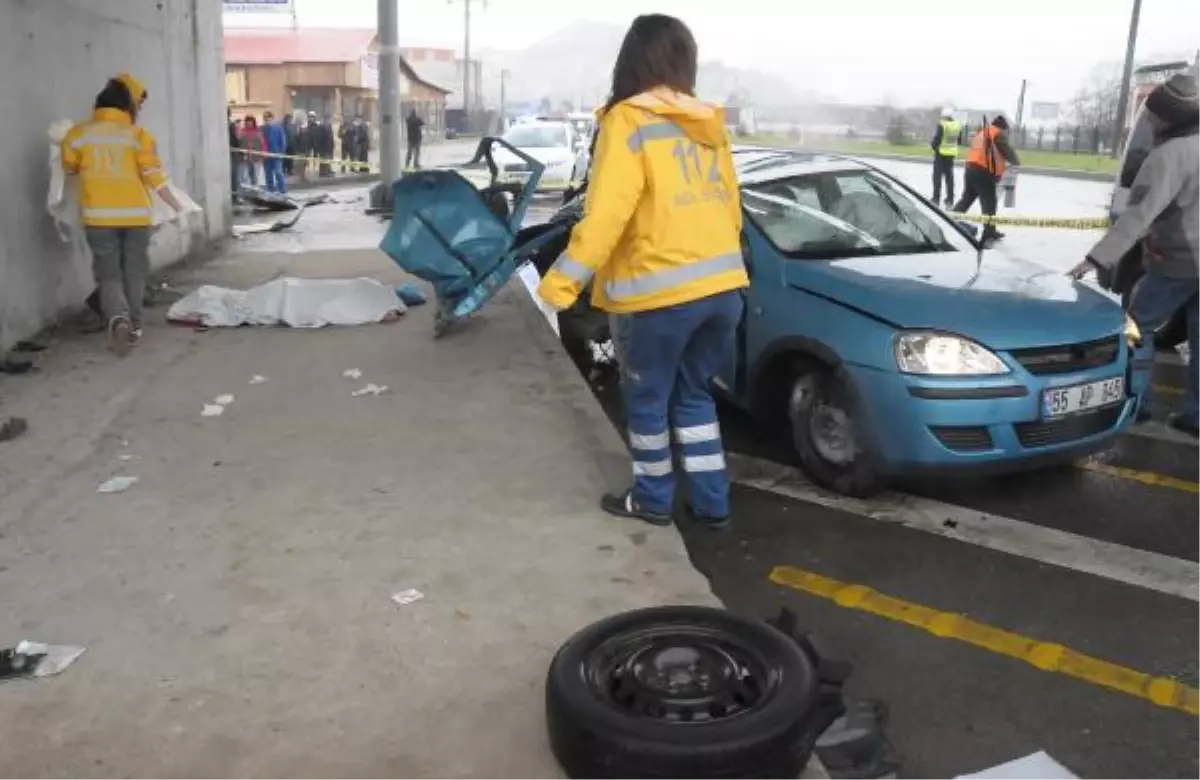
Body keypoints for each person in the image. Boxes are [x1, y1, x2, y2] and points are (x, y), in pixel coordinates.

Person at [536, 14, 749, 529]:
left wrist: (561, 285)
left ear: (631, 60)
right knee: (695, 398)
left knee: (648, 401)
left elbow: (607, 213)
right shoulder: (708, 126)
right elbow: (732, 208)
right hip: (723, 291)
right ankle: (711, 504)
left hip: (657, 295)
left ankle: (652, 499)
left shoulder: (628, 121)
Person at [1069, 73, 1200, 438]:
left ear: (1168, 117)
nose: (1150, 120)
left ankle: (1138, 404)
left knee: (1134, 330)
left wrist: (1096, 259)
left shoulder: (1169, 155)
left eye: (1153, 114)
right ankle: (1196, 416)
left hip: (1179, 262)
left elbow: (1139, 214)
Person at [62, 73, 183, 355]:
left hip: (99, 218)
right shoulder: (138, 136)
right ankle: (136, 327)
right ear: (128, 107)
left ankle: (118, 319)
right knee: (135, 272)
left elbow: (69, 168)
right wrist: (177, 205)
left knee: (109, 275)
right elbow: (153, 176)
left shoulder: (78, 135)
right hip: (136, 218)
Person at [953, 115, 1020, 243]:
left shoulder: (983, 132)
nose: (1006, 133)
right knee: (989, 201)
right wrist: (1016, 162)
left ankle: (950, 220)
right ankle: (989, 232)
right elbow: (1010, 153)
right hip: (983, 172)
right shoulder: (997, 134)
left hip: (970, 169)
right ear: (1003, 128)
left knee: (967, 198)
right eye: (1006, 130)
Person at [930, 106, 961, 207]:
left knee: (937, 178)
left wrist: (935, 148)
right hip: (951, 155)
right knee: (949, 179)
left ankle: (935, 199)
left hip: (940, 155)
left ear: (944, 116)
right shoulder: (957, 125)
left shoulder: (942, 125)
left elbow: (936, 141)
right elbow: (959, 141)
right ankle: (950, 201)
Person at [262, 110, 288, 193]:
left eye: (268, 117)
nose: (266, 119)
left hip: (277, 154)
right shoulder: (262, 128)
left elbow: (283, 141)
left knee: (278, 172)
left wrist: (281, 152)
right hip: (266, 154)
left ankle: (282, 190)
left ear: (271, 118)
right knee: (268, 173)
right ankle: (270, 189)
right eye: (265, 118)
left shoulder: (278, 127)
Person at [238, 115, 266, 186]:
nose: (249, 123)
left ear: (253, 122)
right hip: (245, 157)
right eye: (247, 122)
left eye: (251, 122)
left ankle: (255, 190)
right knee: (245, 176)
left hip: (256, 157)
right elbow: (239, 142)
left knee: (256, 176)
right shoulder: (242, 131)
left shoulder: (258, 132)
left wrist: (263, 152)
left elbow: (263, 143)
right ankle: (247, 192)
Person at [282, 113, 298, 177]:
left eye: (291, 118)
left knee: (291, 159)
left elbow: (295, 135)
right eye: (289, 118)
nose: (290, 120)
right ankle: (283, 170)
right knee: (284, 159)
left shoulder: (293, 126)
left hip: (292, 145)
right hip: (285, 145)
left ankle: (290, 170)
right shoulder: (282, 125)